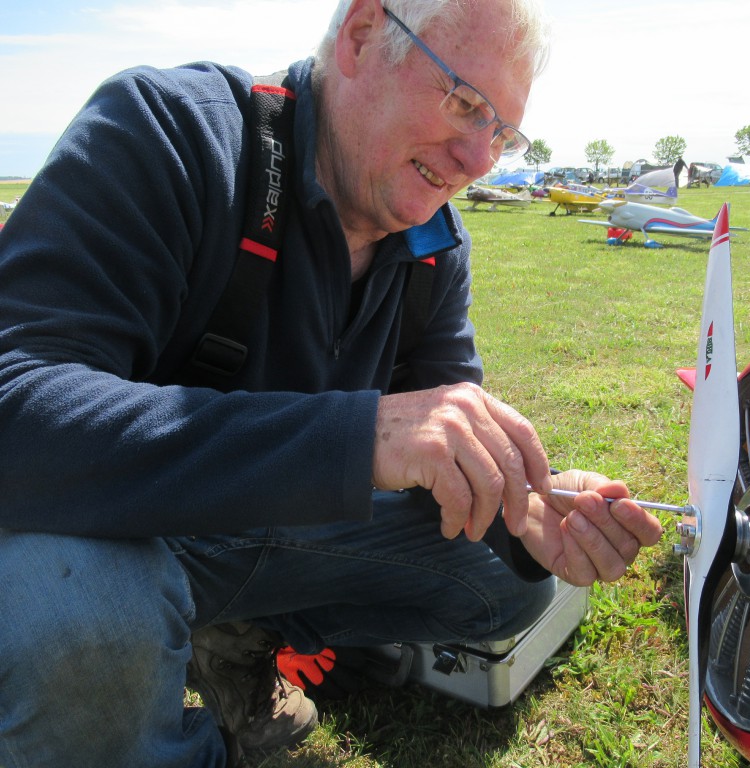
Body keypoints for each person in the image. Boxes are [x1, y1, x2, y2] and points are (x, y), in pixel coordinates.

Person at [0, 2, 664, 767]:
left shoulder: (432, 247)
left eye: (501, 131)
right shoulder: (171, 133)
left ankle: (237, 634)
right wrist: (361, 438)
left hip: (243, 533)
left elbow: (446, 453)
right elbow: (18, 404)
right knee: (75, 601)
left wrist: (525, 510)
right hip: (113, 528)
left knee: (510, 587)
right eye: (466, 103)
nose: (481, 157)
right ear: (360, 37)